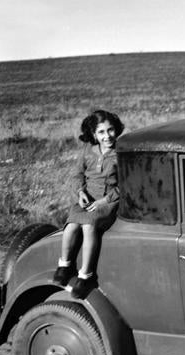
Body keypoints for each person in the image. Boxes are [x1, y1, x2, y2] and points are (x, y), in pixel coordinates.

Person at [53, 110, 124, 298]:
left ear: (116, 130)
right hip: (87, 198)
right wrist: (80, 192)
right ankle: (65, 265)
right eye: (101, 132)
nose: (107, 136)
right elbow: (77, 175)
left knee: (88, 226)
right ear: (93, 134)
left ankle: (86, 275)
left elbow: (125, 184)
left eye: (110, 130)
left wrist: (104, 201)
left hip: (108, 202)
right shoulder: (88, 152)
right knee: (70, 226)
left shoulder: (119, 154)